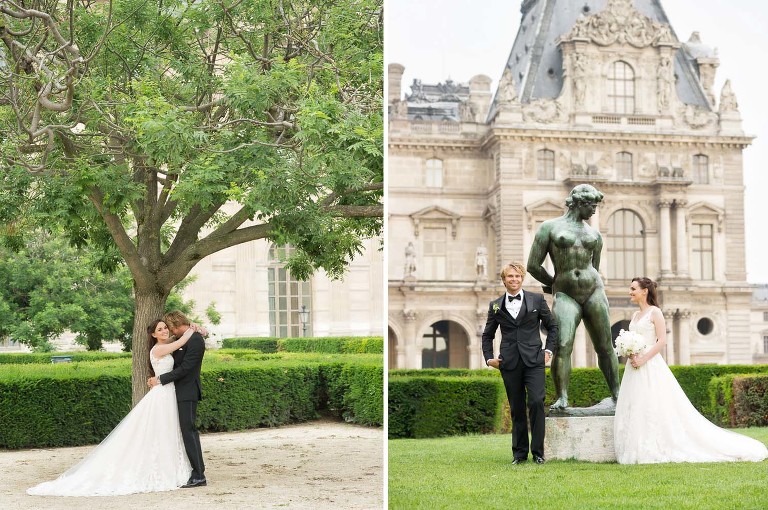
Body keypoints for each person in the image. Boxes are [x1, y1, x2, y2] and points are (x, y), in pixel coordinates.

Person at [27, 320, 195, 496]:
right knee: (160, 430)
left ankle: (168, 466)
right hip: (162, 394)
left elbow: (174, 340)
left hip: (167, 392)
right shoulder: (158, 349)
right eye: (160, 329)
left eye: (165, 328)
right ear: (153, 334)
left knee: (166, 430)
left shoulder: (164, 345)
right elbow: (180, 342)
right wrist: (193, 329)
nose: (164, 331)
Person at [614, 277, 768, 464]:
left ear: (644, 291)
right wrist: (630, 353)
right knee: (636, 403)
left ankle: (653, 446)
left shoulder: (655, 312)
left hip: (649, 364)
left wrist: (643, 359)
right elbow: (634, 339)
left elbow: (661, 341)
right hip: (634, 365)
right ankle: (637, 447)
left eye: (633, 289)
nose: (630, 292)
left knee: (653, 404)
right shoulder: (635, 316)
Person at [527, 184, 620, 412]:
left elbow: (594, 267)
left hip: (594, 291)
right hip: (565, 294)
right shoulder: (549, 227)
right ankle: (563, 398)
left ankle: (617, 395)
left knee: (605, 346)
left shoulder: (594, 235)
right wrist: (553, 283)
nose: (595, 210)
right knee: (563, 344)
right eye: (592, 206)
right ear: (579, 203)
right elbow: (533, 265)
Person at [482, 261, 558, 464]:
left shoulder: (537, 300)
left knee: (536, 402)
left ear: (522, 278)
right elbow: (487, 335)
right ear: (504, 280)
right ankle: (519, 454)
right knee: (516, 408)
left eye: (517, 276)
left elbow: (552, 327)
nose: (514, 279)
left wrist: (548, 350)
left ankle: (538, 453)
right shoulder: (495, 305)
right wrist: (489, 358)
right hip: (509, 362)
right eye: (510, 276)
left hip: (534, 360)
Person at [148, 310, 207, 487]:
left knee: (189, 431)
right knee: (182, 431)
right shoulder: (182, 338)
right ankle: (191, 471)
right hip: (174, 392)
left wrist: (160, 379)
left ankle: (199, 474)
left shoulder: (195, 339)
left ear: (176, 325)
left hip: (187, 391)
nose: (170, 331)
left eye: (170, 328)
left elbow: (186, 368)